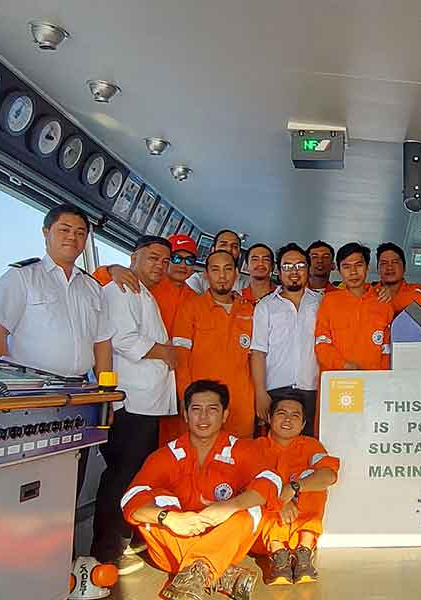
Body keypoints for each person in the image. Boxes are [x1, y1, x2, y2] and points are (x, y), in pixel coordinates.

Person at [121, 380, 282, 600]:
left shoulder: (242, 449)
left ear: (225, 414)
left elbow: (272, 481)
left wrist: (229, 506)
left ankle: (201, 570)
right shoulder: (166, 455)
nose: (203, 417)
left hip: (223, 539)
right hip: (175, 541)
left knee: (250, 508)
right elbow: (131, 499)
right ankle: (218, 573)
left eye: (212, 410)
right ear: (186, 415)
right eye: (196, 409)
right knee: (155, 500)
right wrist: (169, 518)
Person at [91, 235, 178, 573]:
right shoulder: (120, 288)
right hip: (132, 402)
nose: (159, 266)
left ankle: (124, 541)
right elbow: (123, 339)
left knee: (135, 476)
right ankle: (105, 551)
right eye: (153, 258)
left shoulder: (144, 293)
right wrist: (165, 353)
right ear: (133, 257)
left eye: (164, 261)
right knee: (121, 476)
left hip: (149, 404)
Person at [0, 204, 112, 378]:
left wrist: (105, 392)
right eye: (64, 230)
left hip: (81, 389)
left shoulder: (93, 288)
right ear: (46, 232)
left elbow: (102, 343)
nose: (72, 237)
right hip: (32, 387)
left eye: (80, 233)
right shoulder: (21, 276)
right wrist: (2, 384)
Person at [251, 393, 339, 585]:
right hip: (264, 540)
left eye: (295, 415)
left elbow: (329, 476)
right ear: (269, 418)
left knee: (314, 481)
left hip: (302, 530)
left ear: (303, 423)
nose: (288, 420)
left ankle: (304, 554)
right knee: (258, 489)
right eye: (281, 413)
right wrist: (279, 500)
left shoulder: (311, 446)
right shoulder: (253, 447)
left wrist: (294, 487)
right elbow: (245, 487)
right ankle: (279, 557)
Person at [172, 250, 256, 439]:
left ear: (236, 273)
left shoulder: (250, 310)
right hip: (203, 406)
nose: (222, 276)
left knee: (239, 460)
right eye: (215, 270)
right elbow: (180, 358)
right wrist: (186, 399)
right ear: (206, 274)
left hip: (242, 406)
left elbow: (257, 360)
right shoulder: (191, 308)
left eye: (227, 269)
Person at [251, 244, 322, 437]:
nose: (294, 272)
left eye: (300, 266)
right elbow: (258, 352)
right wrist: (260, 392)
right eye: (287, 266)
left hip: (313, 389)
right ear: (278, 270)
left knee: (308, 446)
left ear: (308, 269)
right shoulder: (265, 306)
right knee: (275, 448)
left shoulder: (321, 303)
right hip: (276, 389)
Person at [314, 242, 394, 371]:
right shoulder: (329, 301)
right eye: (346, 267)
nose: (353, 272)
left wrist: (382, 380)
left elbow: (386, 351)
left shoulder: (383, 301)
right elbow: (321, 343)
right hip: (337, 382)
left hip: (373, 382)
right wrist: (344, 366)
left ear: (367, 267)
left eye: (359, 265)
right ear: (339, 270)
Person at [187, 229, 248, 294]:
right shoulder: (197, 280)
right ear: (213, 249)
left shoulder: (247, 284)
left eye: (235, 246)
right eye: (223, 245)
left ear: (239, 254)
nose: (229, 249)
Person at [376, 242, 421, 314]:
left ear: (404, 268)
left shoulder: (418, 289)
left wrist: (390, 296)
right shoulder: (369, 291)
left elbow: (419, 301)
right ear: (378, 269)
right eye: (384, 263)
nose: (389, 267)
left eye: (395, 262)